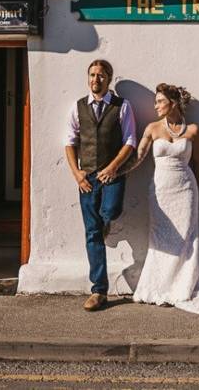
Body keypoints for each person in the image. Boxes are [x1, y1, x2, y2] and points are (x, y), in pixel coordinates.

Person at [132, 83, 199, 314]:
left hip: (186, 190)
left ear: (173, 103)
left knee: (188, 239)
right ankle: (161, 285)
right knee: (160, 238)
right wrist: (114, 170)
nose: (155, 105)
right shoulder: (152, 128)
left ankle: (184, 285)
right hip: (160, 191)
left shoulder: (193, 131)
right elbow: (138, 158)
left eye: (160, 101)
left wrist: (198, 191)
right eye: (155, 101)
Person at [65, 59, 137, 311]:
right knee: (92, 233)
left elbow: (130, 141)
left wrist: (113, 167)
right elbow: (70, 142)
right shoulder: (78, 107)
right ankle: (99, 291)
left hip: (112, 173)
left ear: (109, 79)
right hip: (86, 179)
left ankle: (106, 223)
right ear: (88, 78)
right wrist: (77, 174)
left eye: (101, 76)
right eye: (92, 75)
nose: (96, 79)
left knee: (111, 211)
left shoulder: (122, 106)